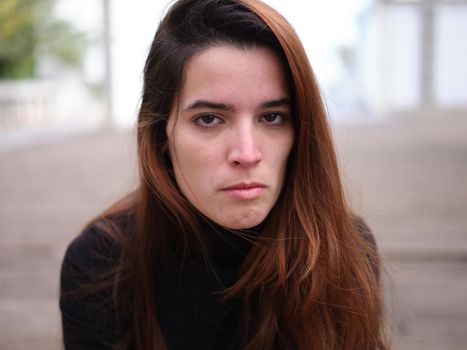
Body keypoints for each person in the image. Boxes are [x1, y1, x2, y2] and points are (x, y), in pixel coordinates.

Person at [60, 0, 388, 349]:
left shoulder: (344, 250)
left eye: (272, 116)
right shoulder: (103, 265)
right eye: (209, 119)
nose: (247, 154)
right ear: (161, 133)